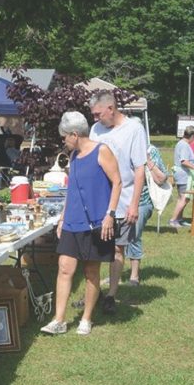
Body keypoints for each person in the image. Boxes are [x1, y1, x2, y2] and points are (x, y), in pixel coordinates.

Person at [40, 112, 121, 337]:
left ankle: (86, 318)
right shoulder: (74, 155)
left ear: (75, 134)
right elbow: (72, 190)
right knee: (64, 268)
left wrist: (110, 215)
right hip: (72, 221)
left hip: (96, 223)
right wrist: (63, 218)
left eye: (64, 136)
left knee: (91, 271)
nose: (63, 141)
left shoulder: (101, 151)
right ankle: (59, 320)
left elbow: (117, 182)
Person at [88, 90, 147, 314]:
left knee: (116, 249)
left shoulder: (134, 129)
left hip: (123, 201)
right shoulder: (96, 129)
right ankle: (92, 293)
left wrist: (134, 204)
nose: (95, 118)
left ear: (111, 109)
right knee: (92, 249)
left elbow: (139, 169)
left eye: (98, 114)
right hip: (98, 201)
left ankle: (111, 295)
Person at [126, 144, 167, 285]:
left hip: (142, 202)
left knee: (133, 236)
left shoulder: (150, 150)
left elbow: (162, 178)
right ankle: (116, 274)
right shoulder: (122, 145)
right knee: (116, 241)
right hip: (121, 201)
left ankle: (134, 276)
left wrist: (148, 161)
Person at [169, 126, 194, 228]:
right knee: (184, 198)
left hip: (182, 174)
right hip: (183, 175)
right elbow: (184, 161)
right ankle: (173, 220)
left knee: (182, 198)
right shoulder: (184, 145)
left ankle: (179, 219)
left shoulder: (182, 143)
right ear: (192, 136)